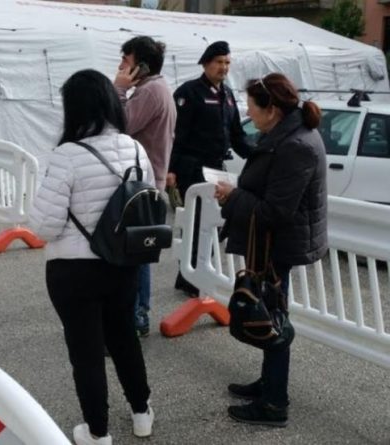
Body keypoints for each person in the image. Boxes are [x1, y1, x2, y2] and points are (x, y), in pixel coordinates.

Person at [29, 69, 155, 445]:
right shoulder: (135, 148)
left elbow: (44, 225)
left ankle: (97, 433)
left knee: (86, 352)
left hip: (73, 270)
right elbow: (143, 204)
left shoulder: (67, 155)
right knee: (124, 339)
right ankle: (142, 413)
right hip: (122, 263)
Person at [215, 73, 327, 427]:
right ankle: (269, 384)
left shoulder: (295, 145)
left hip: (278, 245)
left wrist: (233, 197)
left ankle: (275, 403)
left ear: (273, 110)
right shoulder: (286, 135)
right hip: (271, 243)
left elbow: (276, 212)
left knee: (274, 319)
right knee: (271, 313)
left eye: (251, 108)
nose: (249, 114)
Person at [168, 40, 253, 296]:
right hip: (192, 167)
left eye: (227, 62)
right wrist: (171, 170)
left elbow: (237, 135)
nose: (224, 67)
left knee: (214, 223)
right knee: (195, 224)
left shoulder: (227, 95)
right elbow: (176, 135)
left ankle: (198, 272)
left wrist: (259, 154)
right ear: (206, 63)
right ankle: (189, 276)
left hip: (217, 167)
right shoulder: (189, 92)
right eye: (219, 62)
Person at [114, 36, 176, 337]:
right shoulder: (156, 88)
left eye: (125, 62)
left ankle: (138, 315)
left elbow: (120, 124)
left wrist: (119, 88)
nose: (120, 67)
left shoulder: (150, 92)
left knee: (137, 253)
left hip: (142, 186)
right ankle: (136, 313)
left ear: (141, 65)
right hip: (147, 183)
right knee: (138, 250)